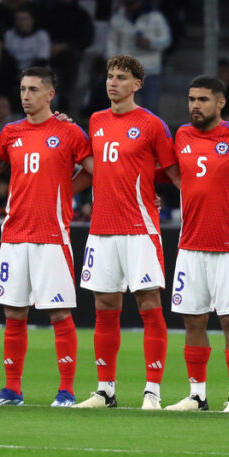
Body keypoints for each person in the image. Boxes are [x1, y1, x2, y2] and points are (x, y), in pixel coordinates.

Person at [0, 67, 94, 407]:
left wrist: (67, 189)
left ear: (50, 95)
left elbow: (96, 170)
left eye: (33, 90)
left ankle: (66, 391)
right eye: (22, 89)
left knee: (59, 314)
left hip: (52, 235)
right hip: (13, 235)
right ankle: (12, 390)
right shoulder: (11, 132)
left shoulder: (69, 132)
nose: (25, 95)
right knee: (13, 313)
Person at [75, 54, 180, 410]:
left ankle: (152, 391)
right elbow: (96, 166)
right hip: (102, 228)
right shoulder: (96, 120)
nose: (113, 82)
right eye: (109, 76)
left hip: (139, 228)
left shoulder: (152, 124)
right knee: (104, 306)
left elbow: (171, 172)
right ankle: (105, 389)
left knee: (149, 305)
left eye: (121, 77)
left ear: (137, 84)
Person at [163, 76, 229, 414]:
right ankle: (197, 395)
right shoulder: (181, 135)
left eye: (203, 100)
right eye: (192, 99)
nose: (195, 105)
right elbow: (167, 167)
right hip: (190, 245)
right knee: (193, 321)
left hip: (228, 247)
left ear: (220, 103)